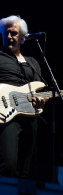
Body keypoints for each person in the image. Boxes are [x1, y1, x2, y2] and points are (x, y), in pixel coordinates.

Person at [0, 15, 47, 178]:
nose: (8, 37)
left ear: (22, 37)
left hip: (29, 117)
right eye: (5, 33)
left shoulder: (33, 63)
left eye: (13, 33)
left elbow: (38, 93)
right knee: (8, 165)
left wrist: (41, 101)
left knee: (25, 171)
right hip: (6, 116)